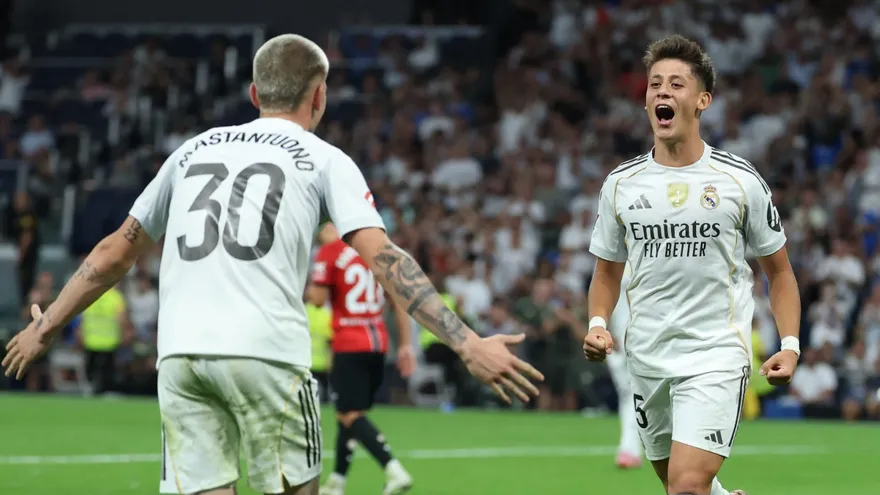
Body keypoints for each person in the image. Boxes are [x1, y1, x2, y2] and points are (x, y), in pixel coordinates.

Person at [2, 33, 543, 495]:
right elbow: (385, 258)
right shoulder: (327, 160)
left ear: (255, 93)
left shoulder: (191, 151)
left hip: (182, 355)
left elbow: (113, 252)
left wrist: (46, 327)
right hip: (266, 355)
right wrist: (468, 343)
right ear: (320, 96)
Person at [582, 35, 801, 495]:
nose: (662, 92)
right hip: (646, 356)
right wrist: (599, 322)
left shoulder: (739, 181)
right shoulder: (621, 185)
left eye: (676, 84)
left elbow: (779, 272)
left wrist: (790, 343)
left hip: (714, 354)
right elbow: (606, 273)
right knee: (678, 487)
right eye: (654, 84)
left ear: (702, 100)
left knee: (685, 487)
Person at [310, 223, 416, 495]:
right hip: (378, 344)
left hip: (349, 342)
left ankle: (393, 469)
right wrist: (405, 345)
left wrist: (307, 283)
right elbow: (399, 300)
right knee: (349, 413)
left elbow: (318, 299)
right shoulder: (376, 250)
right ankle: (337, 482)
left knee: (350, 414)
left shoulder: (330, 252)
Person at [605, 263, 643, 469]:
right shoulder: (615, 258)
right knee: (630, 395)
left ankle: (629, 449)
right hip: (621, 340)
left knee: (633, 396)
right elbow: (604, 293)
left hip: (647, 336)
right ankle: (629, 450)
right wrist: (606, 329)